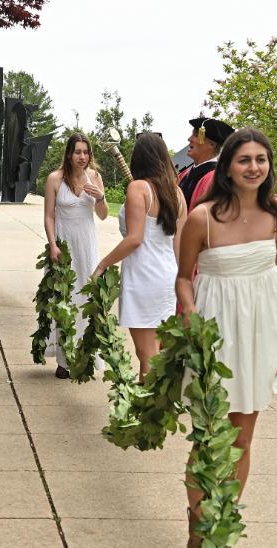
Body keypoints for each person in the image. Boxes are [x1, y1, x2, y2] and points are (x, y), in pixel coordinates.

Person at [175, 128, 277, 548]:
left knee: (242, 439)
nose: (254, 167)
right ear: (228, 167)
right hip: (214, 333)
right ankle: (198, 526)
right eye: (245, 160)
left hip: (258, 334)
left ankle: (221, 526)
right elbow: (185, 276)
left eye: (262, 159)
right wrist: (188, 308)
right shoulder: (202, 218)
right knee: (209, 437)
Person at [94, 132, 185, 378]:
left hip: (143, 277)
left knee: (147, 355)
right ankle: (155, 409)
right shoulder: (177, 193)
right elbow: (179, 244)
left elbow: (135, 238)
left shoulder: (138, 188)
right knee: (155, 351)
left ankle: (151, 413)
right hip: (168, 277)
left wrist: (102, 264)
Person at [43, 133, 109, 377]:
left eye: (86, 152)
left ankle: (85, 354)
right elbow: (49, 215)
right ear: (69, 154)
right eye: (78, 152)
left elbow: (103, 215)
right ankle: (64, 359)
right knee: (65, 297)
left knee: (86, 297)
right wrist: (52, 244)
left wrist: (100, 197)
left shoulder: (95, 177)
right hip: (64, 243)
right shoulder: (55, 179)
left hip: (87, 245)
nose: (82, 157)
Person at [179, 117, 234, 210]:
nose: (189, 139)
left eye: (196, 135)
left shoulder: (216, 179)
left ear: (212, 144)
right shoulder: (184, 174)